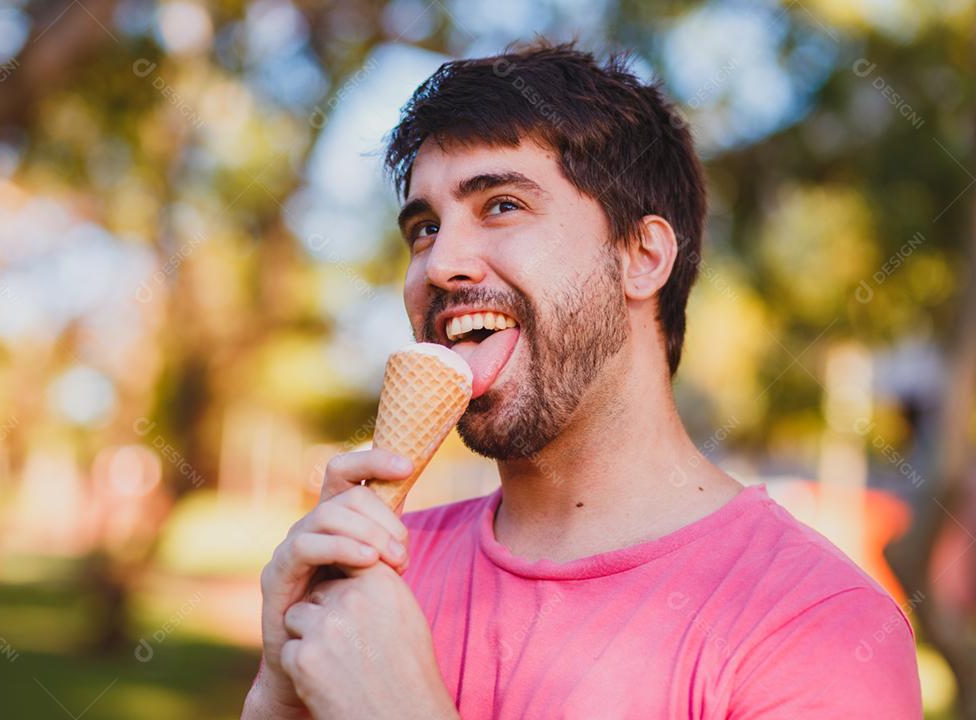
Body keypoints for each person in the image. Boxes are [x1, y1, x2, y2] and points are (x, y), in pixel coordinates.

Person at [241, 41, 922, 719]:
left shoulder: (815, 628)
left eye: (501, 205)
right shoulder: (373, 577)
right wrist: (277, 694)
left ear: (642, 256)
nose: (440, 263)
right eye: (423, 227)